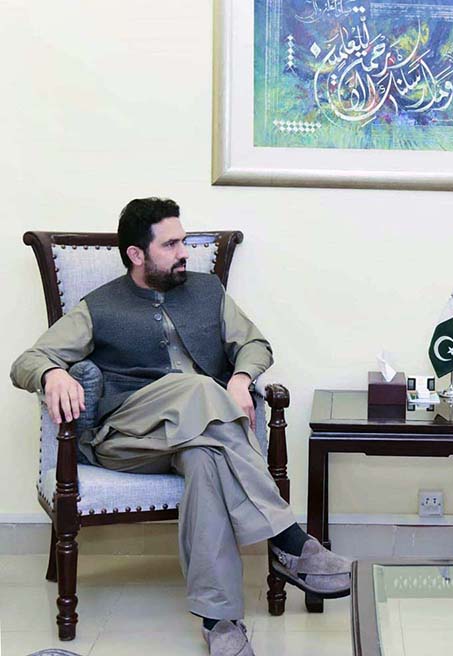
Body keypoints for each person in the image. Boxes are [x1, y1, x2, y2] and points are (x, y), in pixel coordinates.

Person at [11, 198, 351, 656]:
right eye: (170, 244)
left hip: (201, 429)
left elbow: (254, 343)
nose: (184, 251)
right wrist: (52, 373)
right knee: (194, 387)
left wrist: (239, 378)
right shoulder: (101, 306)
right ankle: (288, 540)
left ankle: (220, 621)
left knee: (206, 460)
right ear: (136, 254)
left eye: (184, 240)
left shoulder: (207, 291)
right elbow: (26, 361)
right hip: (128, 438)